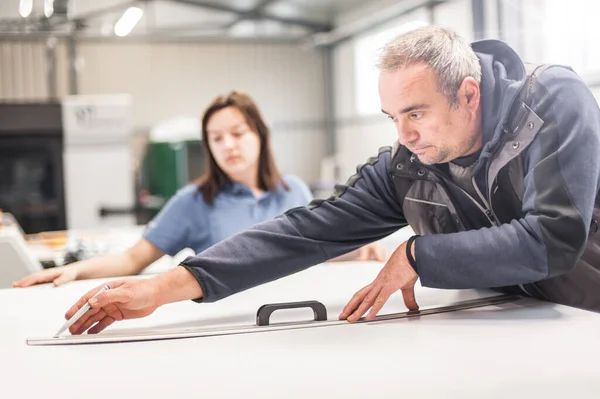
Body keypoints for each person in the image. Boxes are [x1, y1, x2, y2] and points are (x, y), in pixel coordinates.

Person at [62, 26, 600, 336]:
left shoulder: (549, 101)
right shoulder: (410, 163)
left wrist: (417, 255)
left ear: (468, 93)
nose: (404, 135)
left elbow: (551, 239)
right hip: (522, 329)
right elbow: (304, 231)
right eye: (392, 118)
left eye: (416, 113)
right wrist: (163, 288)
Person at [13, 91, 386, 289]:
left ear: (260, 134)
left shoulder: (293, 189)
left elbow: (303, 250)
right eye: (216, 138)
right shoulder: (193, 202)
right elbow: (132, 261)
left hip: (294, 312)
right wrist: (76, 271)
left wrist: (354, 250)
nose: (228, 145)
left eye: (237, 133)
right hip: (225, 321)